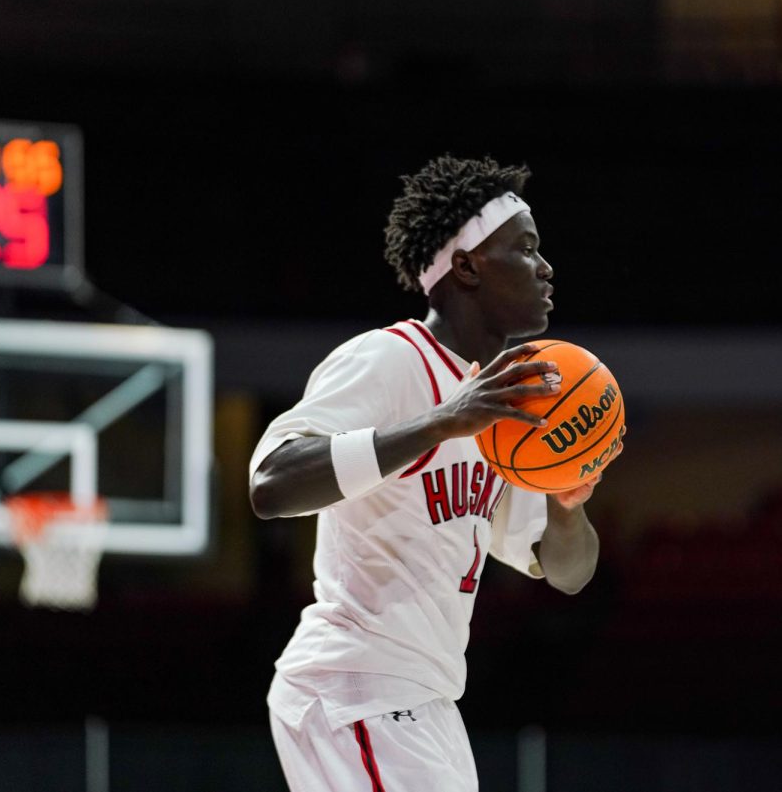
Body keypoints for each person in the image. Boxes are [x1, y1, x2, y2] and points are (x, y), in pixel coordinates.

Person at [248, 155, 619, 792]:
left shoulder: (505, 411)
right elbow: (271, 482)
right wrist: (438, 424)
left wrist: (566, 504)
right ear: (468, 265)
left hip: (430, 701)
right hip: (356, 686)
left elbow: (568, 572)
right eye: (525, 248)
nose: (546, 267)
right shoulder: (387, 358)